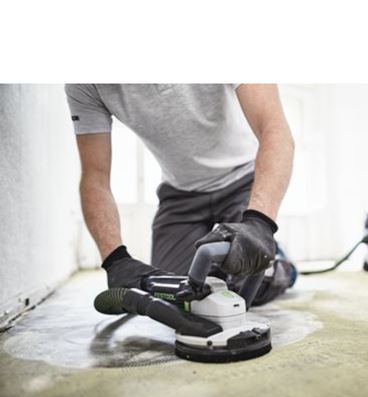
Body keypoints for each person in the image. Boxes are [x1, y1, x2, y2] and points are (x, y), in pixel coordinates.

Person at [65, 84, 296, 304]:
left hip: (242, 180)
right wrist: (115, 260)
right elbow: (95, 176)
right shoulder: (86, 84)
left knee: (245, 283)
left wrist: (259, 223)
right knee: (174, 293)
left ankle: (279, 264)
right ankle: (225, 267)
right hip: (180, 195)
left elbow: (274, 129)